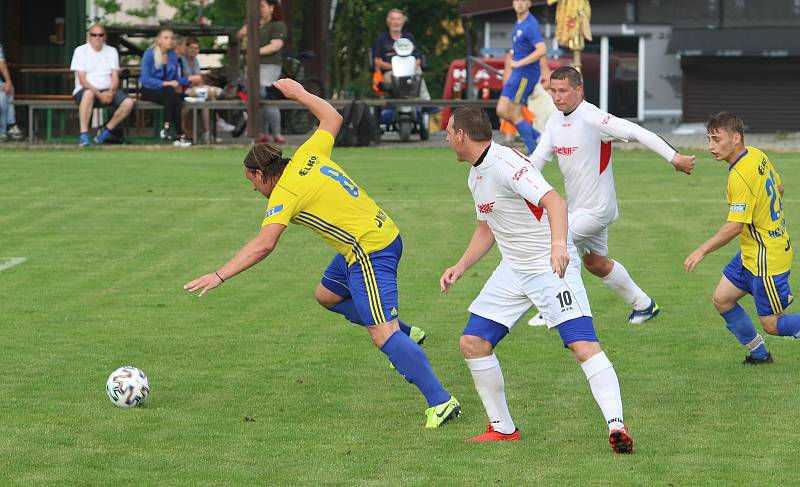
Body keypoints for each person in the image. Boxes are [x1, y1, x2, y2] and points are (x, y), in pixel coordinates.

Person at [183, 78, 461, 429]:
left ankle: (441, 401)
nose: (253, 188)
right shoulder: (306, 155)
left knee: (382, 334)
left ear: (259, 173)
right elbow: (332, 117)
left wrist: (219, 274)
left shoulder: (284, 192)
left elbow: (264, 243)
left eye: (250, 181)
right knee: (327, 295)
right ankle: (407, 334)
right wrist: (300, 94)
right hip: (374, 235)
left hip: (368, 250)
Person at [440, 106, 632, 453]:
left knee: (582, 345)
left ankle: (616, 426)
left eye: (449, 131)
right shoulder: (476, 175)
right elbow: (487, 228)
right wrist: (461, 265)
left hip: (549, 267)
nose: (447, 138)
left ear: (461, 135)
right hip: (513, 270)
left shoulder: (506, 164)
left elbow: (554, 201)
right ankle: (503, 429)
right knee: (473, 342)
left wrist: (559, 245)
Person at [527, 66, 696, 326]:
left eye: (563, 91)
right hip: (577, 209)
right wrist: (513, 182)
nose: (557, 97)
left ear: (579, 90)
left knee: (552, 242)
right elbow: (536, 161)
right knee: (595, 263)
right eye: (553, 91)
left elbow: (637, 132)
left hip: (598, 209)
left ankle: (551, 308)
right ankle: (644, 305)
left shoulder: (593, 118)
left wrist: (674, 157)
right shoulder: (554, 121)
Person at [684, 112, 800, 364]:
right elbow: (779, 189)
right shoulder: (757, 155)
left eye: (717, 140)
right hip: (751, 252)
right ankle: (759, 354)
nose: (710, 147)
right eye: (709, 140)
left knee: (772, 323)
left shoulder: (739, 177)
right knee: (722, 300)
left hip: (767, 258)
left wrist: (701, 250)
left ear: (735, 138)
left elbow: (735, 226)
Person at [69, 23, 135, 147]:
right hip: (86, 90)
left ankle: (106, 131)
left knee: (128, 103)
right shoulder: (80, 51)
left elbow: (115, 77)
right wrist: (99, 94)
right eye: (94, 35)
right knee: (88, 94)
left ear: (105, 37)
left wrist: (110, 92)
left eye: (101, 35)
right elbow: (82, 80)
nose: (97, 38)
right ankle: (84, 134)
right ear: (89, 36)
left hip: (107, 90)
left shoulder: (112, 51)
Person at [495, 0, 546, 154]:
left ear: (529, 3)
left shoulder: (531, 25)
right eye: (517, 0)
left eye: (524, 0)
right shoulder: (519, 23)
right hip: (517, 73)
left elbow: (542, 49)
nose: (520, 3)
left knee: (514, 113)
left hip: (525, 74)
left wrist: (519, 63)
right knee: (502, 110)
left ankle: (534, 151)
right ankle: (540, 138)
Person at [139, 27, 202, 147]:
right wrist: (165, 84)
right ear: (159, 40)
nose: (169, 41)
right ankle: (178, 134)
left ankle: (170, 130)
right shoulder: (149, 54)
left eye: (171, 38)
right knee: (172, 94)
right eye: (166, 38)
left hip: (167, 92)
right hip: (149, 90)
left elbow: (175, 79)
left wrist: (188, 79)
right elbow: (145, 79)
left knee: (173, 96)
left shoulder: (172, 55)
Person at [237, 0, 287, 144]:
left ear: (271, 8)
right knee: (258, 96)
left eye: (262, 6)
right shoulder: (255, 25)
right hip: (253, 67)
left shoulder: (277, 25)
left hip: (269, 66)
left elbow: (275, 45)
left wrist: (254, 52)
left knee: (266, 96)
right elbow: (239, 35)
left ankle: (276, 132)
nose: (259, 9)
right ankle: (263, 132)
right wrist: (246, 29)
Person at [371, 8, 430, 101]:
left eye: (398, 19)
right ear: (388, 22)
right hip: (390, 74)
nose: (396, 22)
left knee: (418, 71)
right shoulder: (381, 39)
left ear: (403, 22)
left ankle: (425, 102)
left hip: (410, 73)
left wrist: (410, 67)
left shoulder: (409, 37)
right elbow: (377, 62)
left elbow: (418, 60)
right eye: (393, 19)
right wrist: (397, 67)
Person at [179, 36, 223, 143]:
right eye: (191, 48)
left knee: (205, 102)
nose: (194, 50)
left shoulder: (196, 61)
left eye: (196, 48)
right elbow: (191, 79)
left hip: (195, 90)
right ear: (186, 48)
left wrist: (198, 82)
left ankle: (207, 134)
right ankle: (218, 121)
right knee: (209, 93)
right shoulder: (182, 60)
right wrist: (197, 81)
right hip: (184, 91)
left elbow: (197, 79)